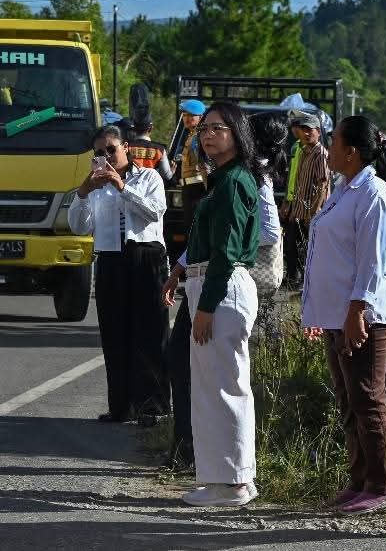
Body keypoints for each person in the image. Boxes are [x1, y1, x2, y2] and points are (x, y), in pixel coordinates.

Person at [302, 115, 386, 516]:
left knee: (367, 398)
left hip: (363, 315)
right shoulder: (344, 190)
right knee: (348, 400)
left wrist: (356, 312)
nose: (327, 149)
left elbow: (373, 263)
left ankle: (382, 486)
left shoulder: (374, 195)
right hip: (337, 315)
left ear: (351, 151)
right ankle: (360, 479)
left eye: (333, 143)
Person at [163, 101, 260, 507]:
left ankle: (236, 482)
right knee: (209, 388)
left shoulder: (236, 181)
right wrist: (182, 273)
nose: (207, 134)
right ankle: (220, 477)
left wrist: (205, 308)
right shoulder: (220, 180)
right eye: (203, 128)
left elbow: (229, 250)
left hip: (222, 287)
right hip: (207, 284)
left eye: (217, 128)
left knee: (226, 387)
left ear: (237, 133)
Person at [69, 126, 170, 424]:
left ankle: (154, 407)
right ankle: (121, 406)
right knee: (115, 334)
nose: (106, 156)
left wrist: (122, 186)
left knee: (151, 332)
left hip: (146, 256)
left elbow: (154, 212)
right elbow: (78, 226)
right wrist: (84, 193)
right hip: (111, 259)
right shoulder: (95, 187)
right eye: (99, 153)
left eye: (111, 149)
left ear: (125, 147)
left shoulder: (148, 177)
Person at [281, 110, 331, 290]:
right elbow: (295, 179)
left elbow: (323, 185)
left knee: (310, 249)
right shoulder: (302, 151)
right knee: (292, 246)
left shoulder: (321, 154)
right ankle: (293, 279)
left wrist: (314, 212)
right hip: (298, 208)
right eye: (303, 129)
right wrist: (289, 202)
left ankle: (307, 282)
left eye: (310, 129)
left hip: (311, 211)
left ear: (318, 131)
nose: (306, 133)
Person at [248, 114, 287, 337]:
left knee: (258, 331)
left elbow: (271, 232)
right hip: (256, 272)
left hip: (256, 268)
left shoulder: (258, 175)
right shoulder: (259, 169)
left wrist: (239, 243)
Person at [176, 99, 208, 226]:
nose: (187, 118)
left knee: (195, 230)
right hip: (190, 189)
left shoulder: (198, 136)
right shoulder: (191, 135)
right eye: (184, 115)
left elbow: (204, 164)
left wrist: (209, 192)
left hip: (197, 190)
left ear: (200, 117)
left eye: (191, 115)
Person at [126, 114, 174, 183]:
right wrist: (172, 171)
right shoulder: (160, 149)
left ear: (134, 129)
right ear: (151, 128)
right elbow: (167, 176)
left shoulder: (126, 147)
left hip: (130, 186)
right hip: (150, 188)